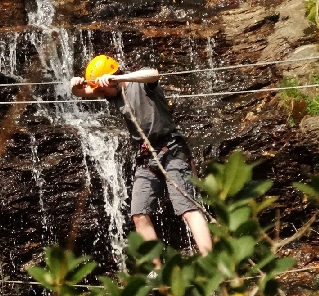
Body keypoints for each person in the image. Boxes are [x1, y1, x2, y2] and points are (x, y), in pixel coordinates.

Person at [70, 54, 213, 257]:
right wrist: (73, 85)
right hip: (147, 159)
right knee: (139, 214)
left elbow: (153, 74)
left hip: (170, 149)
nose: (100, 92)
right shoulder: (113, 94)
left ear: (113, 77)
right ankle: (155, 273)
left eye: (102, 87)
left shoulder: (142, 84)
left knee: (188, 209)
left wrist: (118, 79)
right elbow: (80, 92)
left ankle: (212, 263)